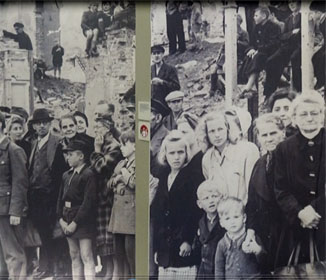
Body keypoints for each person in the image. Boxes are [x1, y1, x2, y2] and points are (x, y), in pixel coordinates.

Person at [273, 93, 325, 264]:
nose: (309, 118)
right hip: (296, 226)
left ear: (322, 115)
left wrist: (314, 208)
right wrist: (300, 213)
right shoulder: (283, 148)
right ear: (294, 118)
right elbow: (281, 189)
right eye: (303, 114)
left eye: (314, 113)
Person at [151, 130, 202, 279]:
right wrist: (157, 247)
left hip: (183, 245)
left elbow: (194, 212)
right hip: (164, 247)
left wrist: (187, 239)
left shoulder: (193, 177)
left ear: (186, 153)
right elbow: (158, 214)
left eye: (180, 152)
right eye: (172, 153)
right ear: (165, 154)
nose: (176, 157)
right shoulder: (162, 176)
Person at [28, 108, 68, 278]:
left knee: (55, 232)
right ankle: (47, 266)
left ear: (50, 124)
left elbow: (61, 173)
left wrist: (57, 197)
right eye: (39, 123)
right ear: (34, 126)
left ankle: (57, 267)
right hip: (36, 197)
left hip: (51, 196)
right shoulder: (34, 144)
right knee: (42, 232)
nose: (42, 126)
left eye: (45, 123)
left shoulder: (57, 143)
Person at [244, 113, 285, 274]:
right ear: (259, 138)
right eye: (264, 135)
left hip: (289, 235)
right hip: (265, 236)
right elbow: (252, 202)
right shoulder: (260, 164)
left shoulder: (293, 160)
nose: (269, 138)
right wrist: (251, 231)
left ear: (282, 133)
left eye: (273, 133)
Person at [197, 112, 259, 204]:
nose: (217, 135)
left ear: (228, 129)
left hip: (244, 213)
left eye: (220, 129)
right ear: (206, 134)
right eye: (212, 131)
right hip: (222, 215)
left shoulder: (247, 150)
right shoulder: (207, 159)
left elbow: (253, 190)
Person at [57, 140, 97, 280]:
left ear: (81, 156)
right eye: (67, 154)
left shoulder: (88, 174)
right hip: (67, 218)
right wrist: (61, 220)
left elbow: (88, 202)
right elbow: (60, 200)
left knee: (86, 254)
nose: (68, 157)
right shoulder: (66, 175)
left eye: (71, 154)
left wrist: (75, 222)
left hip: (82, 220)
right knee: (74, 254)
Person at [91, 115, 122, 280]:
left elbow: (102, 168)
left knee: (111, 238)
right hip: (100, 197)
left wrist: (96, 150)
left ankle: (115, 271)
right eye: (95, 128)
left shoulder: (114, 147)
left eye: (99, 128)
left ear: (108, 129)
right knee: (103, 238)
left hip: (109, 197)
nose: (96, 131)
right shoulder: (103, 146)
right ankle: (108, 269)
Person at [0, 112, 28, 280]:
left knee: (14, 255)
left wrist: (16, 211)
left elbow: (20, 182)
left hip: (8, 210)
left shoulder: (13, 150)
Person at [108, 130, 136, 279]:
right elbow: (109, 182)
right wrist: (117, 180)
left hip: (131, 212)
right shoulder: (121, 162)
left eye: (125, 144)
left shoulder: (139, 162)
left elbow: (135, 182)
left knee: (131, 253)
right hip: (118, 213)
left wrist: (122, 174)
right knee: (119, 253)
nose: (122, 148)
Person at [215, 197, 264, 278]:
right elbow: (219, 270)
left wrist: (258, 251)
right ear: (221, 223)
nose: (232, 222)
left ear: (244, 218)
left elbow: (264, 263)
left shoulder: (251, 238)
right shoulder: (222, 244)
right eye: (227, 218)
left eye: (236, 217)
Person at [239, 6, 280, 98]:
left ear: (264, 16)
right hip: (260, 53)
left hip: (272, 53)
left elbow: (274, 44)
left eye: (256, 15)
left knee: (258, 57)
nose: (254, 17)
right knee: (249, 56)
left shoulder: (274, 27)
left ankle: (248, 87)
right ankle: (252, 87)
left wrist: (259, 50)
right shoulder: (256, 28)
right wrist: (252, 49)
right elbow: (252, 43)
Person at [264, 1, 302, 98]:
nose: (291, 4)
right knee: (271, 60)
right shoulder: (288, 19)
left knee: (295, 58)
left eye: (294, 2)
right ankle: (269, 93)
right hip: (288, 47)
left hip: (300, 46)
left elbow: (303, 34)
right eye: (289, 3)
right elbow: (282, 36)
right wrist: (292, 33)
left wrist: (291, 35)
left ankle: (298, 91)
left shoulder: (304, 16)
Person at [194, 181, 224, 280]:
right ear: (199, 204)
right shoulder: (201, 222)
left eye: (214, 196)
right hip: (204, 271)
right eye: (206, 198)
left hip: (220, 270)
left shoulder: (225, 222)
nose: (211, 201)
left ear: (221, 198)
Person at [310, 1, 325, 90]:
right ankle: (320, 80)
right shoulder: (321, 21)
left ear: (318, 13)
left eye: (313, 13)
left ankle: (322, 80)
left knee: (323, 57)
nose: (312, 15)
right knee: (315, 57)